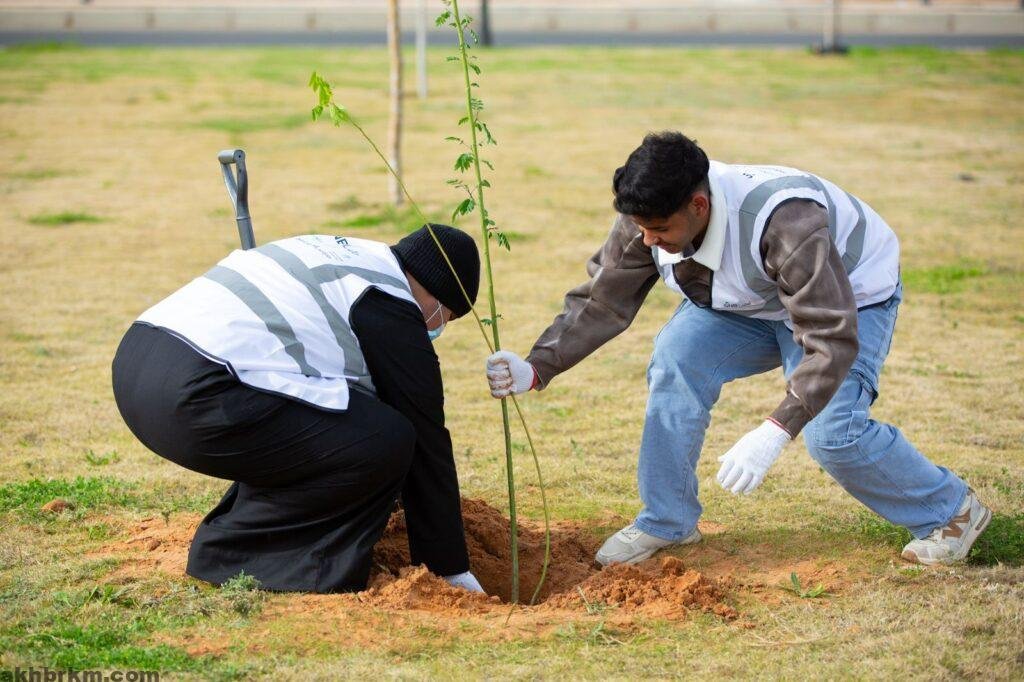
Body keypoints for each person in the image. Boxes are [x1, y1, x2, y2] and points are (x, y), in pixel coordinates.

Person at [485, 131, 991, 568]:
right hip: (749, 300)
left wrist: (777, 428)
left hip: (844, 300)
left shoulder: (787, 222)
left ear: (698, 205)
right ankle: (667, 520)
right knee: (676, 358)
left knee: (831, 433)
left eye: (659, 231)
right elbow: (603, 300)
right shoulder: (650, 216)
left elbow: (829, 336)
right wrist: (537, 366)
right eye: (641, 230)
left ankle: (951, 511)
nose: (647, 241)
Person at [113, 225, 486, 593]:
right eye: (448, 317)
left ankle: (248, 532)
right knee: (387, 438)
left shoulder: (348, 256)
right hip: (196, 394)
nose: (439, 327)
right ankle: (243, 555)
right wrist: (448, 567)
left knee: (352, 418)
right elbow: (427, 438)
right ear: (438, 295)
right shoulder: (389, 301)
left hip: (138, 361)